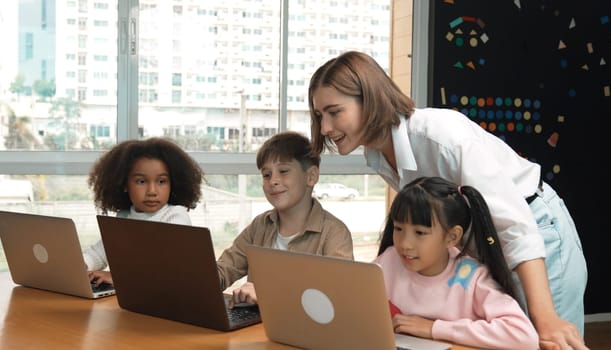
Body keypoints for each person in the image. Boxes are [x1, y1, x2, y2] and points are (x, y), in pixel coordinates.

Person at [308, 50, 588, 350]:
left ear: (371, 98)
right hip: (485, 241)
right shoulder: (376, 154)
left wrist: (545, 318)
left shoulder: (441, 135)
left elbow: (515, 225)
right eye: (319, 116)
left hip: (535, 231)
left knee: (548, 340)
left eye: (334, 112)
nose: (325, 128)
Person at [375, 176, 538, 349]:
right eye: (398, 228)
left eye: (420, 233)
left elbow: (524, 336)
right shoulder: (389, 261)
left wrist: (434, 328)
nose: (405, 244)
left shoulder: (471, 277)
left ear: (452, 237)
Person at [217, 131, 354, 307]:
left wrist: (268, 295)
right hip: (256, 328)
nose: (273, 181)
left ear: (311, 176)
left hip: (305, 332)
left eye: (283, 171)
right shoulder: (260, 225)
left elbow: (337, 296)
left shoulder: (334, 233)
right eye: (266, 175)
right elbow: (224, 270)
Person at [83, 137, 204, 285]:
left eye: (161, 182)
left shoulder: (176, 216)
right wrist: (78, 266)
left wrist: (118, 276)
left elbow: (165, 266)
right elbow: (98, 254)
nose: (152, 191)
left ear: (173, 184)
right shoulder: (123, 217)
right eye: (141, 181)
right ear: (123, 184)